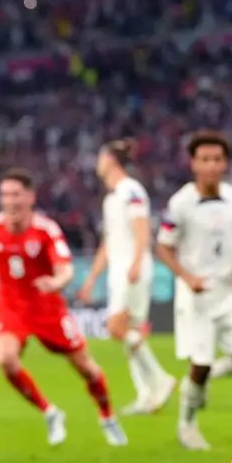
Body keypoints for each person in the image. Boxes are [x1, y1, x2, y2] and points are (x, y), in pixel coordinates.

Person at [0, 168, 126, 447]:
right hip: (11, 310)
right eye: (5, 195)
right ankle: (50, 412)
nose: (10, 201)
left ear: (30, 197)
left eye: (16, 194)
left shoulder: (45, 230)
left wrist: (56, 282)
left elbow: (65, 269)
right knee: (6, 359)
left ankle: (107, 416)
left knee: (87, 369)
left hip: (49, 311)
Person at [156, 131, 232, 451]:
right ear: (193, 164)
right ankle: (186, 424)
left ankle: (194, 384)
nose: (211, 166)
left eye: (217, 159)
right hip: (197, 294)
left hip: (229, 290)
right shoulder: (180, 204)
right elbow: (163, 247)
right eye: (205, 160)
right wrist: (187, 278)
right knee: (199, 363)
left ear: (225, 163)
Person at [79, 139, 176, 415]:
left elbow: (142, 227)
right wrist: (91, 279)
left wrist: (135, 262)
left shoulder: (131, 190)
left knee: (116, 327)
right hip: (119, 270)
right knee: (130, 332)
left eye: (100, 157)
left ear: (110, 159)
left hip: (131, 269)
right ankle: (147, 395)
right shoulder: (112, 198)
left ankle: (160, 379)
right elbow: (108, 243)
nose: (97, 164)